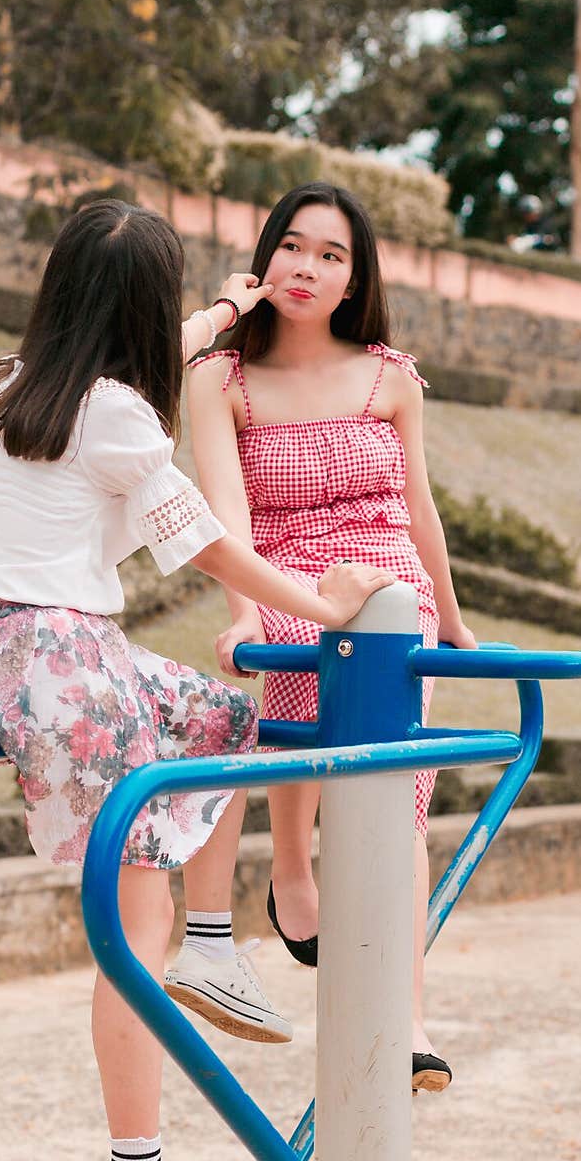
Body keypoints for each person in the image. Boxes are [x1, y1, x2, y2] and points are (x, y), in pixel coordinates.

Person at [0, 198, 393, 1161]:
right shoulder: (120, 421)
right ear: (144, 310)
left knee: (227, 716)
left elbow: (156, 351)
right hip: (54, 662)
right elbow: (206, 548)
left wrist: (229, 307)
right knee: (125, 928)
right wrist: (323, 610)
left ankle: (214, 945)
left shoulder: (10, 384)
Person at [185, 180, 478, 1097]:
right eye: (294, 247)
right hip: (286, 579)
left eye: (332, 255)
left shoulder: (391, 373)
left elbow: (418, 508)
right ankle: (295, 864)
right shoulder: (218, 378)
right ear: (264, 255)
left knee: (401, 793)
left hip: (390, 588)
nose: (307, 268)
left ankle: (411, 1015)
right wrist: (244, 613)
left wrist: (454, 615)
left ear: (355, 279)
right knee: (300, 647)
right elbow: (223, 517)